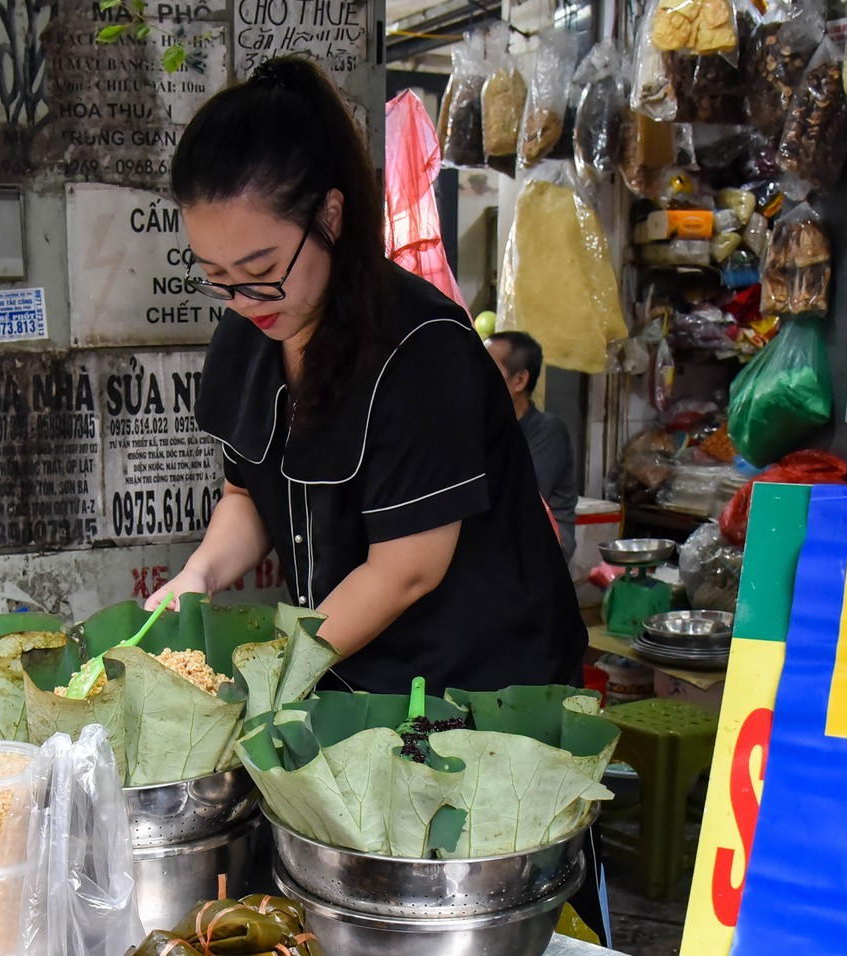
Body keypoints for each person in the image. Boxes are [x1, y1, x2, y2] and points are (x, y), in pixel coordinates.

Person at [146, 57, 585, 693]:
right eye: (218, 278)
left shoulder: (422, 350)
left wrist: (274, 673)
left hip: (482, 693)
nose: (244, 300)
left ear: (330, 215)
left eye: (261, 267)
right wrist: (201, 575)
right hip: (349, 676)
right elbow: (248, 496)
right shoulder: (249, 336)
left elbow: (407, 570)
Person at [485, 330, 578, 561]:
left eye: (487, 370)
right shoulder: (490, 428)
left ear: (519, 380)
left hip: (541, 554)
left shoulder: (548, 432)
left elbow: (511, 497)